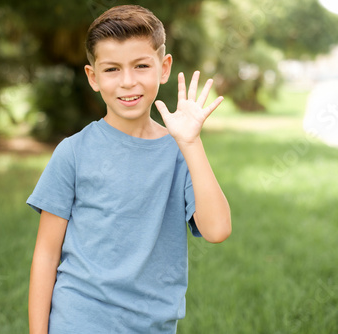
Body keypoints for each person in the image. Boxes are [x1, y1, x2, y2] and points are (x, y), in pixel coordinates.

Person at [27, 4, 231, 334]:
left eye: (141, 66)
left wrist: (191, 144)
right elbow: (46, 256)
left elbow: (218, 230)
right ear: (93, 77)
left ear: (163, 68)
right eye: (111, 70)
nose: (128, 82)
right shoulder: (73, 153)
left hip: (154, 325)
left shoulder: (180, 153)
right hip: (79, 320)